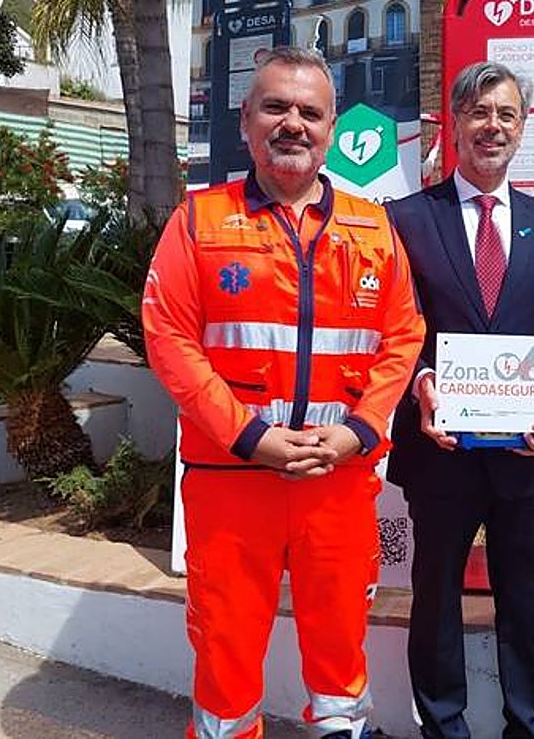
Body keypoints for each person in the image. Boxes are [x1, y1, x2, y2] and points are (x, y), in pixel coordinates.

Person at [142, 46, 425, 739]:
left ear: (331, 129)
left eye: (309, 111)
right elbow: (169, 339)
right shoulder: (199, 222)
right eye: (276, 107)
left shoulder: (373, 227)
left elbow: (403, 336)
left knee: (338, 649)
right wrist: (252, 438)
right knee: (227, 648)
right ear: (246, 121)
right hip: (232, 479)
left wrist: (358, 431)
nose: (292, 123)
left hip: (338, 479)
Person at [386, 60, 534, 739]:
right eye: (478, 112)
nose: (491, 126)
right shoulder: (404, 220)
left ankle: (530, 724)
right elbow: (392, 331)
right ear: (456, 124)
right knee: (435, 597)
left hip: (527, 454)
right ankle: (443, 724)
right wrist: (417, 386)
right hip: (438, 453)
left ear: (522, 129)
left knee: (522, 598)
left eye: (506, 114)